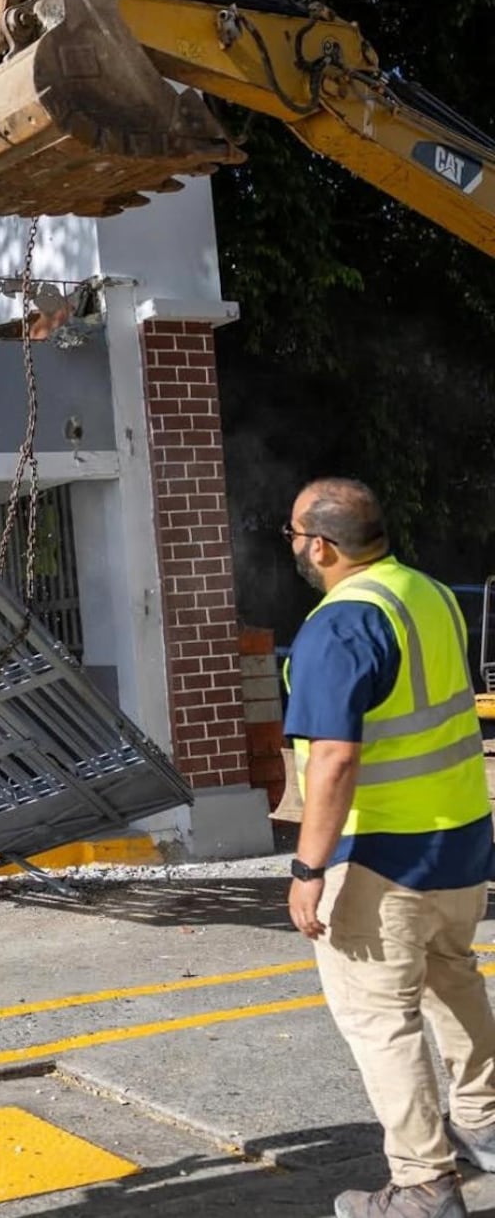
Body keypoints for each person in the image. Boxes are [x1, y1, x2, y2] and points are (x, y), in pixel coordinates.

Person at [283, 478, 495, 1218]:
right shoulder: (429, 593)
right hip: (461, 839)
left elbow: (335, 760)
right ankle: (486, 1120)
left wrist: (308, 869)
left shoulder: (339, 626)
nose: (295, 549)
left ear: (323, 545)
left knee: (383, 1020)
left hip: (380, 854)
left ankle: (423, 1185)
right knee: (452, 976)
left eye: (295, 536)